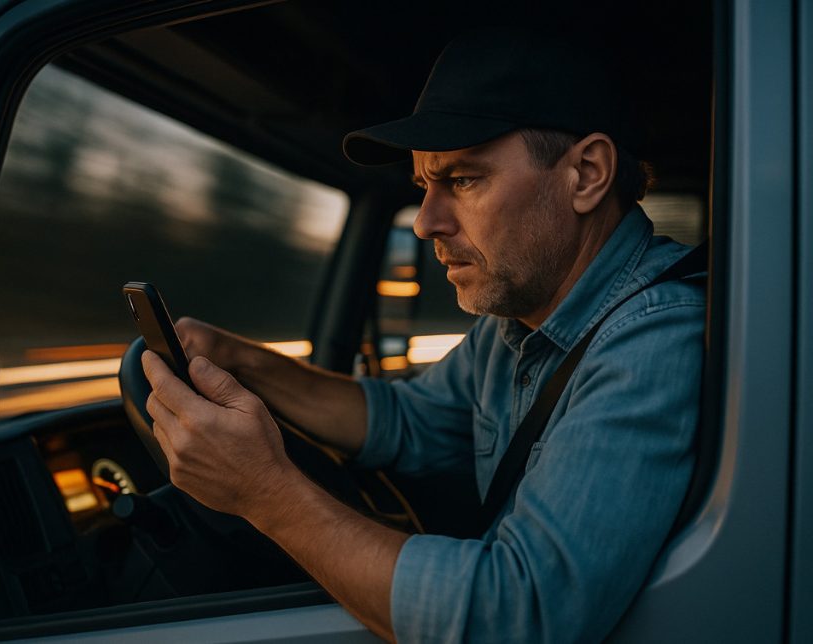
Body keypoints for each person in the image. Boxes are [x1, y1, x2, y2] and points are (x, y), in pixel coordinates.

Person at [140, 22, 705, 644]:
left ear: (587, 174)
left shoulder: (653, 340)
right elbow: (408, 421)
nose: (427, 222)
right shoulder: (517, 322)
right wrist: (243, 362)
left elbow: (517, 617)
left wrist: (265, 493)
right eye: (423, 187)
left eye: (462, 180)